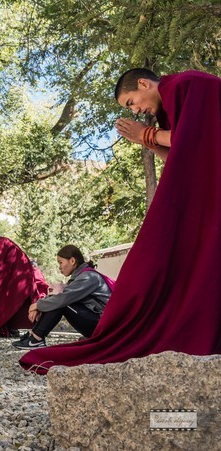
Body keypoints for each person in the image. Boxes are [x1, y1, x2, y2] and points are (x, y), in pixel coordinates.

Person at [20, 69, 221, 374]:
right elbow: (183, 152)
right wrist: (149, 141)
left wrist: (146, 134)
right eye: (130, 108)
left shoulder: (184, 84)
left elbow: (200, 136)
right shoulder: (169, 105)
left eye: (131, 102)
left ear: (144, 83)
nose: (135, 110)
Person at [13, 246, 112, 350]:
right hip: (98, 323)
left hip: (104, 327)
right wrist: (39, 305)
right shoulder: (82, 276)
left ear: (72, 260)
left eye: (60, 262)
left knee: (61, 303)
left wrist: (36, 305)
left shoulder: (88, 277)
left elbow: (63, 298)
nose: (59, 267)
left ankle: (36, 339)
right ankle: (34, 336)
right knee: (57, 300)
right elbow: (61, 295)